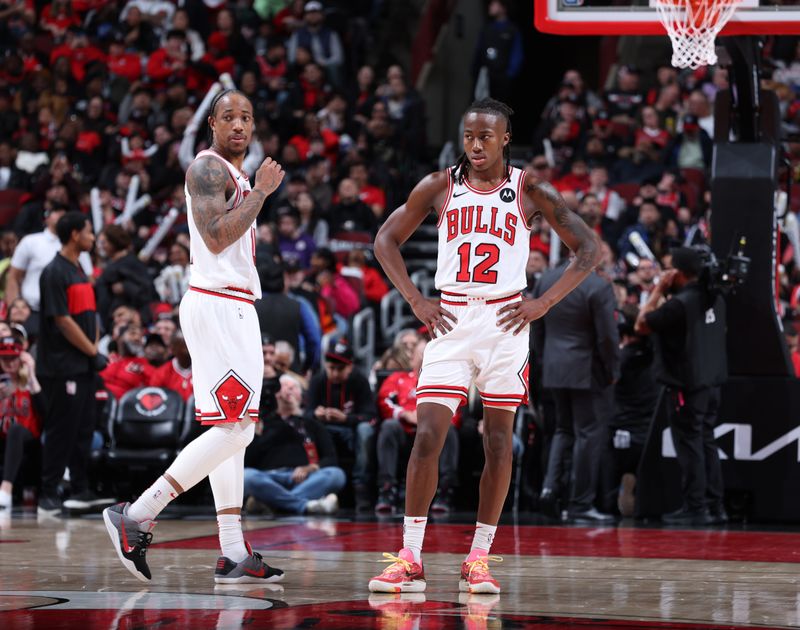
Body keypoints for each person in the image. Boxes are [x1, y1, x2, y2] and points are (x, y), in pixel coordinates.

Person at [368, 98, 601, 594]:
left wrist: (544, 304)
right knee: (428, 434)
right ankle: (410, 556)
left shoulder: (529, 188)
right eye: (469, 135)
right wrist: (414, 299)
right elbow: (384, 240)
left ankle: (478, 558)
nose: (476, 145)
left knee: (498, 441)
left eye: (485, 137)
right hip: (451, 318)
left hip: (507, 321)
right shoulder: (438, 186)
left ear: (505, 138)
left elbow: (589, 250)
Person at [103, 90, 286, 584]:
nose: (239, 125)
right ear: (212, 124)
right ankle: (138, 514)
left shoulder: (235, 174)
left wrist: (256, 189)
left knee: (233, 430)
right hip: (219, 305)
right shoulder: (206, 169)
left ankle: (231, 551)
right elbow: (216, 236)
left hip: (230, 305)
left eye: (247, 117)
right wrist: (264, 194)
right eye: (229, 117)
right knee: (238, 430)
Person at [634, 246, 727, 525]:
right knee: (706, 442)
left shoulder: (679, 304)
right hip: (712, 384)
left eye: (669, 268)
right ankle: (714, 506)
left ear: (679, 272)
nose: (665, 273)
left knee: (690, 445)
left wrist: (657, 290)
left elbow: (641, 324)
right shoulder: (716, 297)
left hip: (687, 384)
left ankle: (695, 507)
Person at [533, 257, 620, 524]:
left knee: (562, 429)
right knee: (588, 434)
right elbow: (607, 335)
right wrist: (612, 369)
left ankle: (549, 490)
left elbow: (536, 325)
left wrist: (542, 358)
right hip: (586, 369)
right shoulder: (597, 285)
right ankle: (580, 503)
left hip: (554, 367)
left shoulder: (546, 279)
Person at [37, 212, 113, 515]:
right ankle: (47, 493)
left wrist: (92, 349)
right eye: (89, 232)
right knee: (60, 431)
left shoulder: (80, 268)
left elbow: (90, 314)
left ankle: (80, 489)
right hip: (60, 366)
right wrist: (92, 352)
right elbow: (63, 321)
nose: (93, 238)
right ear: (74, 235)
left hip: (83, 365)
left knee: (83, 429)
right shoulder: (54, 272)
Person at [243, 374, 345, 515]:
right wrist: (255, 436)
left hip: (305, 479)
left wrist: (311, 468)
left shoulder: (312, 424)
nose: (289, 390)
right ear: (276, 394)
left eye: (294, 387)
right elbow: (248, 461)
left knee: (336, 474)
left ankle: (273, 503)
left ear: (301, 396)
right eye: (285, 386)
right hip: (271, 477)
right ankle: (305, 505)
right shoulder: (264, 422)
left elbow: (331, 458)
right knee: (246, 476)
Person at [307, 338, 376, 512]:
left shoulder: (359, 380)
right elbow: (306, 413)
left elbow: (371, 416)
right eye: (331, 368)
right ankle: (321, 483)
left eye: (340, 368)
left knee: (366, 429)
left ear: (350, 367)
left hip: (351, 430)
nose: (335, 373)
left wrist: (346, 418)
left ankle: (361, 487)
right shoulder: (318, 381)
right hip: (325, 429)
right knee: (312, 427)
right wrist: (316, 413)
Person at [0, 337, 43, 510]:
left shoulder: (30, 383)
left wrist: (31, 373)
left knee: (16, 430)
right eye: (5, 358)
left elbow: (45, 412)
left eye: (13, 358)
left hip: (29, 439)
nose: (10, 363)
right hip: (3, 438)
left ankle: (6, 488)